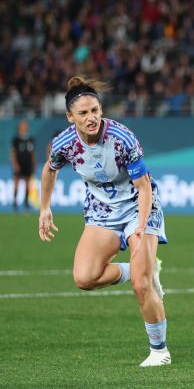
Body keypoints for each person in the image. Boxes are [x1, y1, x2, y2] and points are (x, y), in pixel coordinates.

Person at [38, 76, 171, 367]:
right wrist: (45, 207)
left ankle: (160, 351)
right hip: (102, 211)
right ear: (70, 117)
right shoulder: (64, 143)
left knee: (141, 285)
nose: (91, 118)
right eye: (83, 113)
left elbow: (144, 187)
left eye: (95, 110)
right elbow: (50, 169)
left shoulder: (121, 138)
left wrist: (141, 227)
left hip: (138, 206)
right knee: (84, 278)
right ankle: (143, 269)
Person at [10, 120, 36, 212]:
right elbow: (13, 152)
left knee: (27, 183)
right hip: (19, 163)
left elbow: (32, 153)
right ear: (19, 127)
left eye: (25, 125)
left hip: (27, 164)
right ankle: (15, 202)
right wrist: (15, 164)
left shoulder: (30, 139)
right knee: (16, 182)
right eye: (23, 125)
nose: (25, 127)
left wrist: (33, 163)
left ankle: (26, 203)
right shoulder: (16, 139)